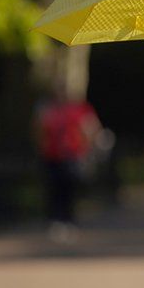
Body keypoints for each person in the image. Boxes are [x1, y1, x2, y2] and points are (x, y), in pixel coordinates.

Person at [34, 77, 102, 241]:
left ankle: (68, 220)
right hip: (52, 155)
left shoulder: (78, 109)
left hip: (72, 154)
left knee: (69, 188)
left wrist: (87, 148)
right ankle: (55, 220)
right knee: (54, 189)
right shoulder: (47, 109)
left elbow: (91, 128)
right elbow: (39, 130)